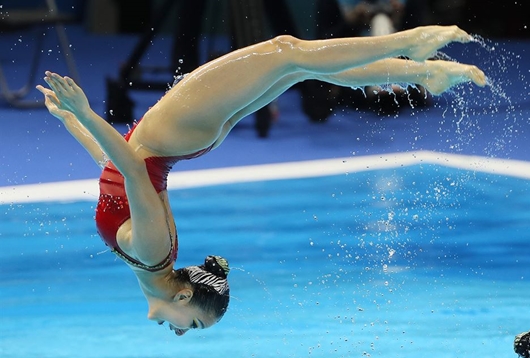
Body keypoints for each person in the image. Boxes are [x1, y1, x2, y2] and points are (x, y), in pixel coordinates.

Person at [37, 26, 486, 336]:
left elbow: (115, 172)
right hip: (176, 132)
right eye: (193, 324)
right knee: (287, 53)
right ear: (184, 294)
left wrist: (74, 120)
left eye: (192, 327)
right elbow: (133, 170)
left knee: (294, 64)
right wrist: (87, 115)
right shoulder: (152, 256)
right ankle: (416, 56)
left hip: (177, 136)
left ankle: (422, 68)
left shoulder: (146, 260)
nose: (180, 332)